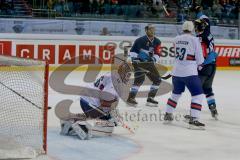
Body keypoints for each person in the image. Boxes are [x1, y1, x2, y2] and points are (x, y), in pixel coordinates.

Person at [59, 62, 132, 140]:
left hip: (86, 99)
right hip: (90, 103)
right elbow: (103, 102)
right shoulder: (115, 83)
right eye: (128, 75)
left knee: (102, 117)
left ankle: (69, 120)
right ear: (123, 73)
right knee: (109, 125)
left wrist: (112, 112)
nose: (129, 77)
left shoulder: (114, 74)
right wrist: (111, 114)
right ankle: (83, 127)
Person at [163, 21, 205, 130]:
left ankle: (168, 114)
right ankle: (194, 119)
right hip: (189, 72)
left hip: (176, 72)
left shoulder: (176, 39)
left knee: (175, 94)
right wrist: (201, 66)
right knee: (198, 95)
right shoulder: (195, 40)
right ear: (192, 29)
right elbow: (200, 59)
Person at [126, 24, 162, 107]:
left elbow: (157, 53)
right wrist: (135, 60)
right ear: (146, 31)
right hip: (139, 63)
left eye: (154, 29)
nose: (153, 30)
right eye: (150, 29)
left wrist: (153, 59)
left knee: (157, 79)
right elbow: (133, 52)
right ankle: (131, 98)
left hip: (149, 63)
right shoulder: (140, 40)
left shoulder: (157, 41)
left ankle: (150, 98)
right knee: (139, 80)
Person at [193, 6, 218, 119]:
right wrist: (199, 11)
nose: (194, 27)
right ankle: (213, 109)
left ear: (198, 27)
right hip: (213, 65)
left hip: (205, 66)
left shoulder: (199, 38)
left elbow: (201, 55)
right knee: (207, 89)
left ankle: (193, 115)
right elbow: (206, 19)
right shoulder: (208, 32)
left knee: (197, 90)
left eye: (195, 26)